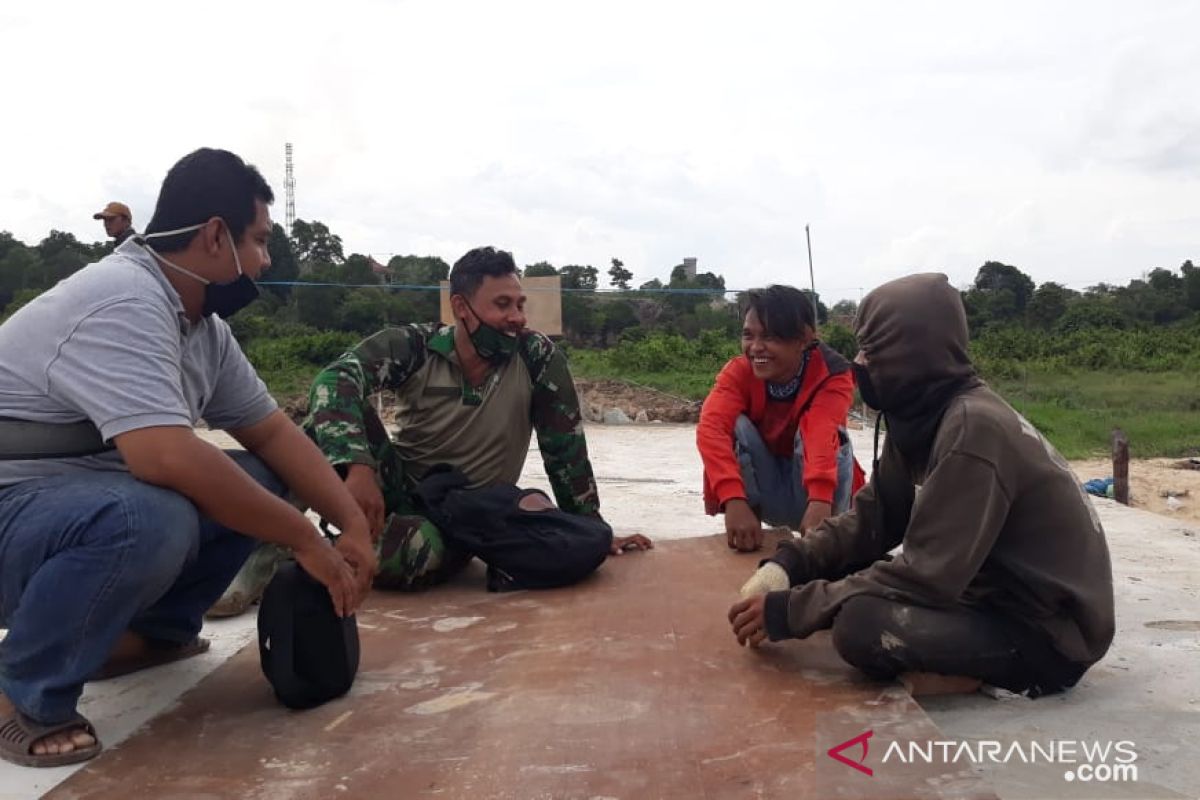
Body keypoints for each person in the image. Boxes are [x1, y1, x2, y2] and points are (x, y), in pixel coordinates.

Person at [0, 148, 376, 767]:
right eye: (258, 241)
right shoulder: (124, 300)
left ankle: (148, 634)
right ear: (213, 236)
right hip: (17, 509)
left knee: (260, 478)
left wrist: (353, 526)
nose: (265, 260)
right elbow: (165, 459)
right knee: (147, 516)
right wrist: (305, 539)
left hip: (62, 503)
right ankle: (24, 693)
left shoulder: (201, 328)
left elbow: (275, 436)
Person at [729, 273, 1114, 698]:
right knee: (845, 575)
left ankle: (985, 675)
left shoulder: (973, 427)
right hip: (984, 595)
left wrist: (792, 612)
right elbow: (874, 519)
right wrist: (791, 564)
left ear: (910, 354)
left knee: (861, 625)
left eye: (872, 351)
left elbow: (926, 575)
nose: (859, 362)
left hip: (1047, 632)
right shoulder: (920, 414)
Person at [304, 245, 651, 590]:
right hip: (400, 489)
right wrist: (358, 466)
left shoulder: (536, 357)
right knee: (315, 428)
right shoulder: (415, 347)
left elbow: (564, 450)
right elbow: (334, 381)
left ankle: (336, 551)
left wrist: (588, 527)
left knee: (410, 555)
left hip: (468, 516)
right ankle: (272, 554)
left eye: (520, 304)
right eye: (503, 305)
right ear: (461, 308)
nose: (518, 317)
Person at [697, 285, 863, 552]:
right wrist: (733, 499)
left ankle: (828, 534)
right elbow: (711, 428)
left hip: (814, 496)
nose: (755, 348)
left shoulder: (833, 373)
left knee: (835, 436)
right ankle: (748, 529)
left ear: (804, 339)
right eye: (748, 336)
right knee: (733, 424)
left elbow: (820, 432)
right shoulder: (739, 372)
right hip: (766, 492)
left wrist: (820, 500)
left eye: (770, 337)